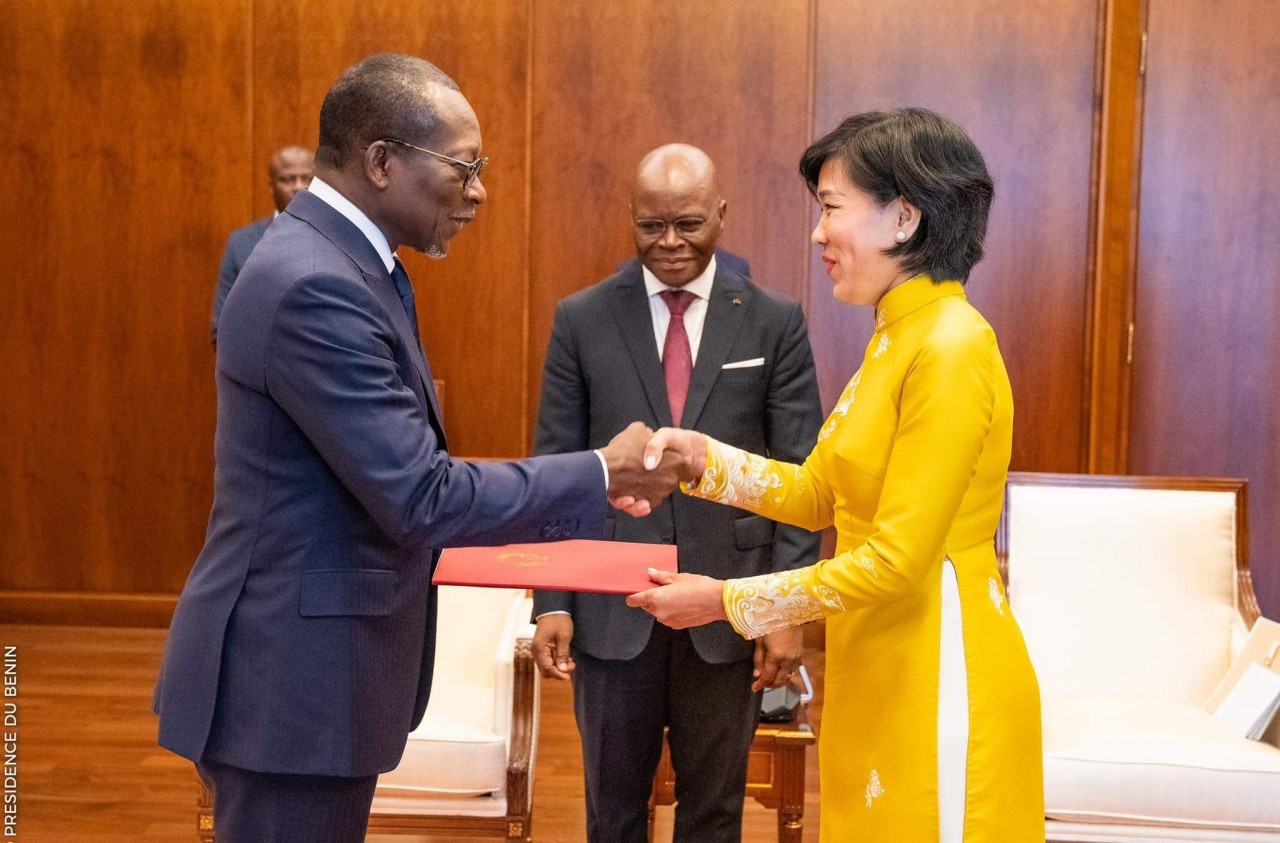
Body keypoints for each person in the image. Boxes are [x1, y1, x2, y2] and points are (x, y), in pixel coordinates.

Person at [153, 54, 681, 843]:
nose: (479, 191)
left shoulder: (347, 264)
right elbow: (419, 495)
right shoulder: (315, 284)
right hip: (291, 686)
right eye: (464, 167)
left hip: (310, 678)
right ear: (380, 161)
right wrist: (603, 470)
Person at [627, 109, 1045, 841]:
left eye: (830, 208)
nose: (818, 234)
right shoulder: (896, 336)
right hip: (876, 650)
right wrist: (704, 459)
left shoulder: (950, 346)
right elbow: (820, 492)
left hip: (937, 658)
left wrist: (727, 600)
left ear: (905, 216)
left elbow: (895, 559)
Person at [531, 143, 823, 842]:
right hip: (609, 612)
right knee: (612, 811)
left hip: (729, 614)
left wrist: (787, 611)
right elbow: (556, 467)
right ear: (630, 218)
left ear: (721, 215)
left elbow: (802, 477)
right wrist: (552, 599)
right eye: (651, 226)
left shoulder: (772, 320)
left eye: (688, 224)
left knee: (714, 813)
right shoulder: (582, 318)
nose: (669, 244)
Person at [211, 145, 315, 346]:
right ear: (271, 186)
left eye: (307, 179)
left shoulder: (337, 239)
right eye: (287, 179)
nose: (298, 187)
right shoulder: (241, 244)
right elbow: (222, 330)